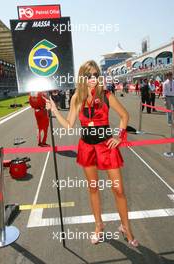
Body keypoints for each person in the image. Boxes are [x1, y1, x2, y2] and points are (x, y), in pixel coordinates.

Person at [45, 60, 138, 247]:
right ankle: (98, 225)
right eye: (89, 76)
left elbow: (124, 116)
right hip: (87, 147)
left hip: (107, 146)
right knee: (93, 188)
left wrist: (120, 136)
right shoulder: (76, 98)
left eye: (96, 75)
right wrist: (54, 110)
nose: (93, 79)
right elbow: (69, 125)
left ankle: (126, 227)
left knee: (118, 190)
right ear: (83, 77)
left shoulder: (106, 95)